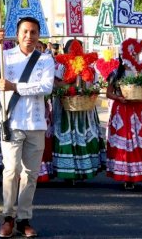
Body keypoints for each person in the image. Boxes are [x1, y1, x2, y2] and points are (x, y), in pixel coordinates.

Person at [0, 17, 55, 238]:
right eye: (25, 32)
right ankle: (8, 217)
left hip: (36, 123)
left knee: (30, 174)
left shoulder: (45, 59)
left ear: (38, 35)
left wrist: (15, 86)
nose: (29, 36)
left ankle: (24, 219)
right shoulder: (5, 55)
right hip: (11, 122)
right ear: (17, 34)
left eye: (33, 32)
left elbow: (46, 87)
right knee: (11, 171)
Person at [51, 39, 105, 182]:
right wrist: (70, 80)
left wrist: (87, 89)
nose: (76, 52)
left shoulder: (89, 67)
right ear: (65, 51)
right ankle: (68, 173)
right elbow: (54, 85)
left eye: (79, 49)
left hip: (84, 109)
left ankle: (85, 170)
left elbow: (95, 85)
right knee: (67, 137)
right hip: (66, 109)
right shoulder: (59, 67)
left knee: (84, 137)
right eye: (72, 49)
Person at [104, 59, 142, 190]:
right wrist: (118, 98)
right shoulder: (116, 73)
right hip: (121, 110)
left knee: (137, 142)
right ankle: (126, 176)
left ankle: (135, 175)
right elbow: (108, 93)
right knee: (125, 143)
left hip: (138, 110)